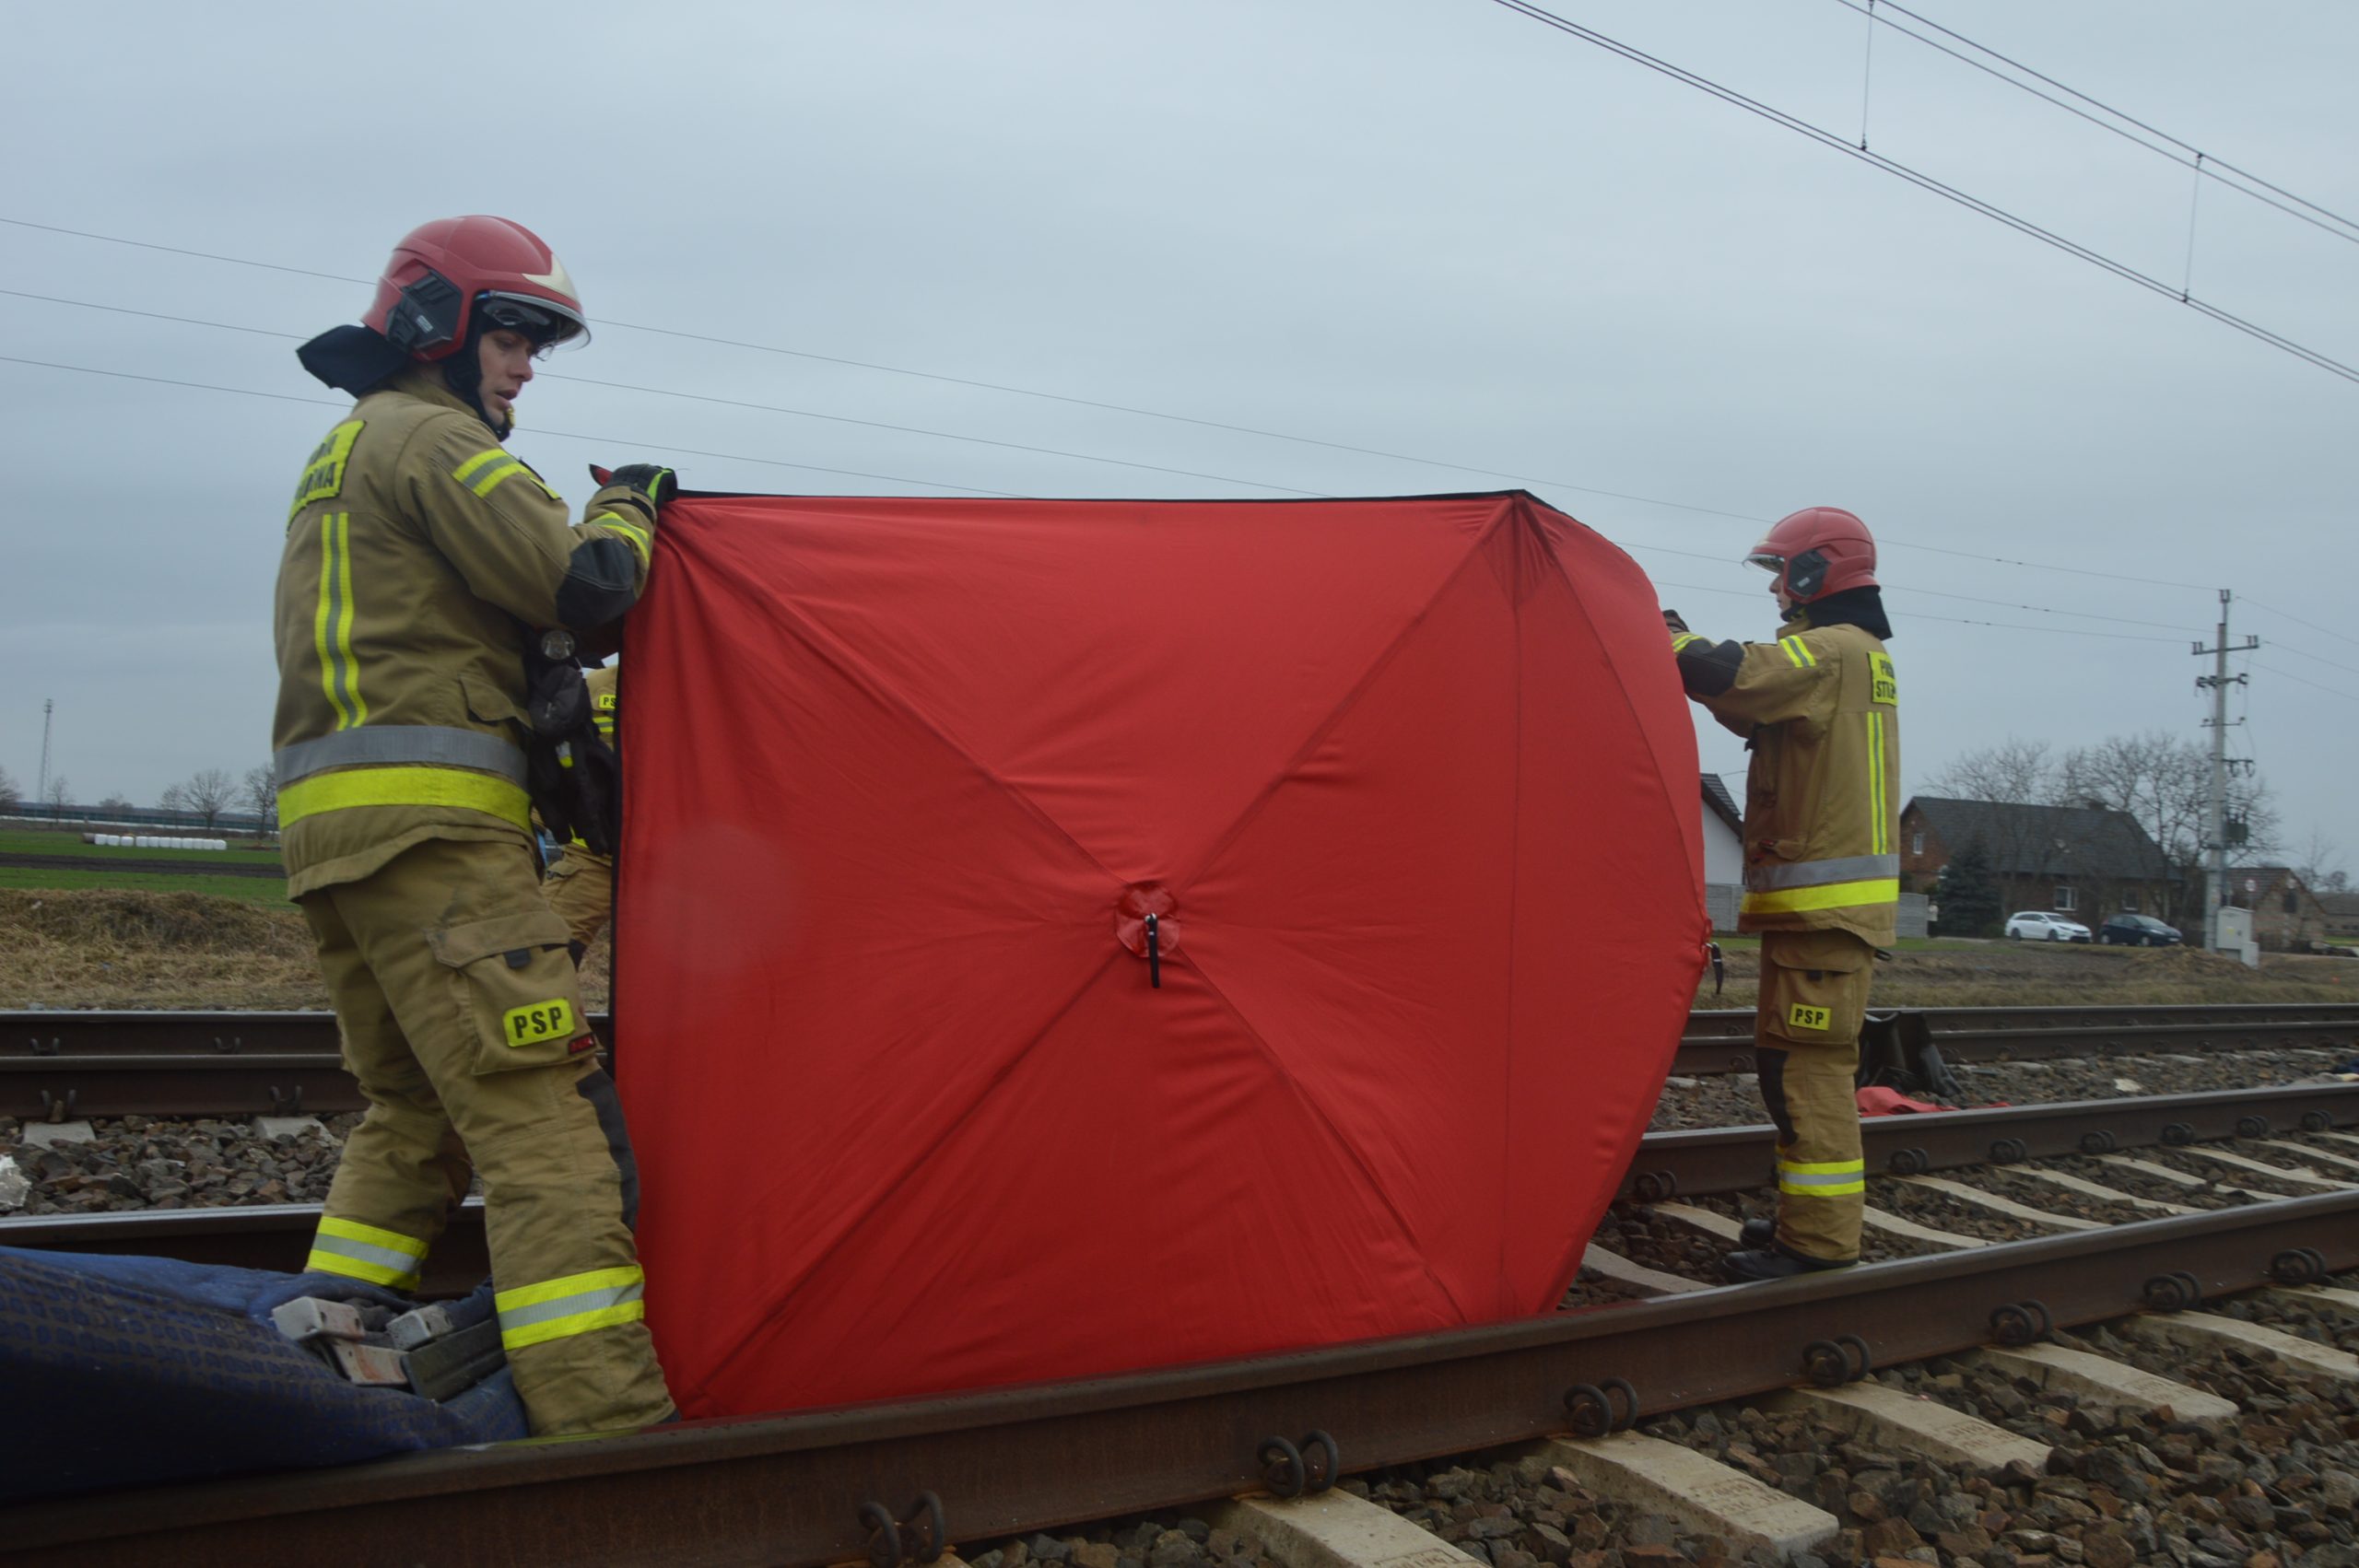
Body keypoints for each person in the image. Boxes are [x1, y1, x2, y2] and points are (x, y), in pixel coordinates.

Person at [273, 215, 679, 1432]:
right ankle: (606, 1429)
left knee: (416, 1112)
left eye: (538, 345)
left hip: (339, 845)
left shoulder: (349, 444)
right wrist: (632, 507)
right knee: (543, 1126)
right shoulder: (439, 441)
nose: (525, 367)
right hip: (440, 842)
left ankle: (314, 1357)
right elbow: (582, 586)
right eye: (511, 337)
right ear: (435, 327)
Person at [1663, 506, 1899, 1282]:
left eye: (1781, 574)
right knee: (1792, 1068)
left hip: (1824, 917)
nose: (1775, 591)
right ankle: (1807, 1223)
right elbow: (1751, 698)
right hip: (1820, 920)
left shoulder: (1831, 651)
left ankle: (1818, 1246)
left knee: (1806, 1076)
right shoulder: (1855, 656)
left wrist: (1661, 633)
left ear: (1814, 571)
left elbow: (1733, 674)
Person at [543, 662, 621, 948]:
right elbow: (557, 761)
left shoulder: (719, 685)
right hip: (594, 856)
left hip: (684, 860)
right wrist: (535, 826)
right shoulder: (595, 686)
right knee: (545, 946)